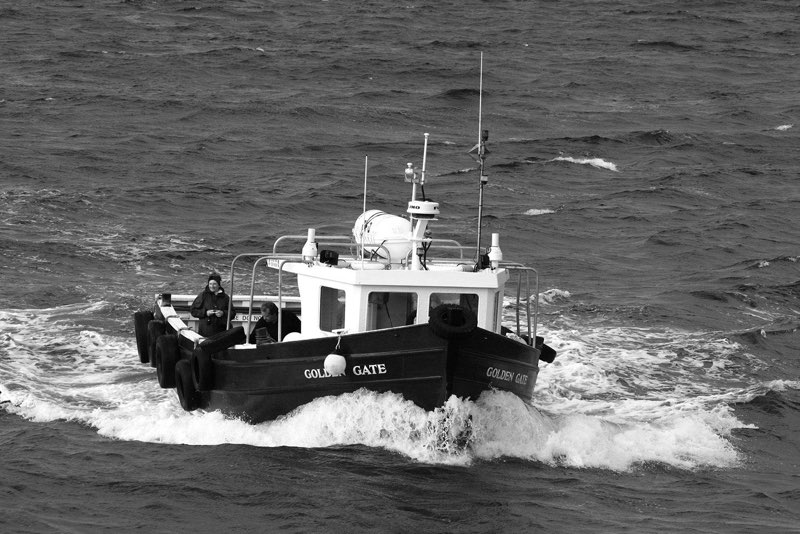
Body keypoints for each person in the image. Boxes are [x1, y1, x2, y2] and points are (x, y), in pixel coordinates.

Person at [190, 272, 234, 337]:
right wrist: (205, 313)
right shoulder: (203, 295)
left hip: (222, 332)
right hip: (206, 333)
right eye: (210, 284)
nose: (212, 286)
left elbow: (233, 313)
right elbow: (193, 311)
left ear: (219, 285)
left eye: (214, 284)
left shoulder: (225, 297)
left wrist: (223, 313)